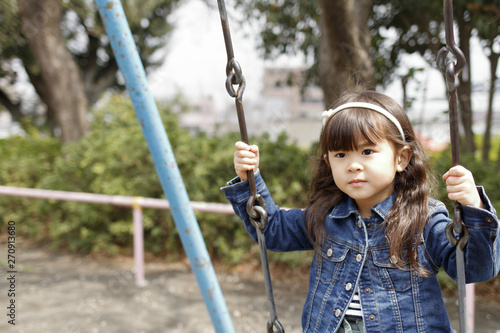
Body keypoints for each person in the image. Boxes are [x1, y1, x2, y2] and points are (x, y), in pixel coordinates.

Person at [221, 90, 499, 333]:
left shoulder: (423, 220)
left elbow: (474, 269)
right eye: (341, 155)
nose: (353, 165)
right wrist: (250, 180)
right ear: (329, 162)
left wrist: (473, 208)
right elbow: (272, 230)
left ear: (401, 158)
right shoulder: (325, 216)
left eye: (367, 152)